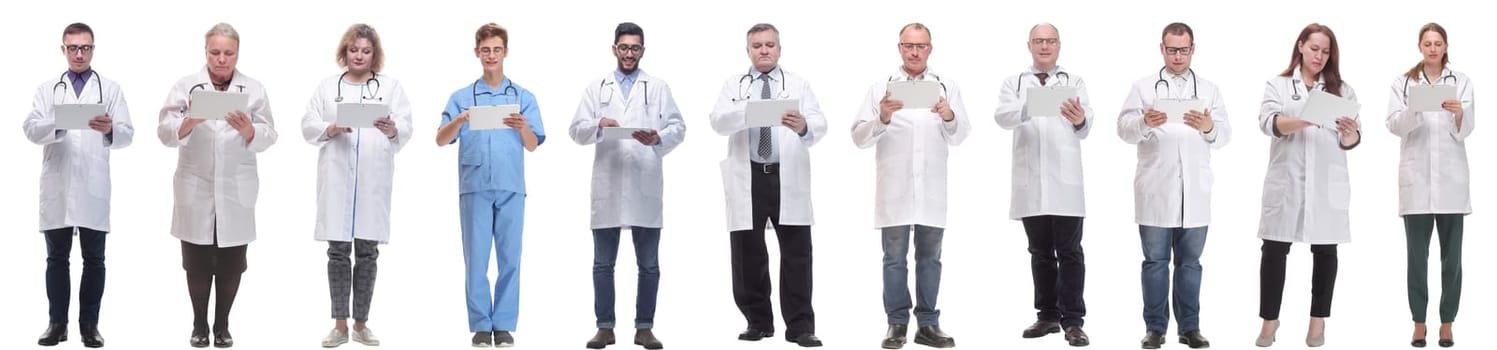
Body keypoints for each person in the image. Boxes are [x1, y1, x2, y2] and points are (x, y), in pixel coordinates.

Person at [157, 22, 278, 349]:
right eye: (215, 52)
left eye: (228, 53)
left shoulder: (253, 89)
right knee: (196, 261)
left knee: (231, 263)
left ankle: (222, 325)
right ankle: (199, 324)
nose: (221, 59)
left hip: (235, 189)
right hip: (195, 186)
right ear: (206, 52)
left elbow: (270, 134)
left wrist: (250, 130)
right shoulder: (186, 86)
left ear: (237, 53)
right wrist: (189, 121)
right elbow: (164, 131)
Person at [708, 22, 828, 348]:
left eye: (770, 45)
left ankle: (800, 327)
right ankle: (758, 321)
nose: (764, 50)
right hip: (748, 176)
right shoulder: (735, 84)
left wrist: (804, 125)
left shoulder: (798, 84)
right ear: (748, 50)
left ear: (779, 48)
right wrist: (750, 112)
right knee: (748, 254)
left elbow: (819, 123)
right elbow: (717, 120)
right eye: (757, 45)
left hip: (786, 176)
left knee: (797, 253)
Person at [851, 22, 969, 350]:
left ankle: (928, 325)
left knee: (931, 258)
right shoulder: (881, 88)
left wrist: (948, 115)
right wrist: (882, 118)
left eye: (921, 46)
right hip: (894, 190)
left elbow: (960, 136)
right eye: (908, 46)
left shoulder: (947, 86)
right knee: (894, 258)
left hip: (931, 188)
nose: (914, 52)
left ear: (930, 48)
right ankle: (897, 324)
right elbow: (858, 137)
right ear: (899, 48)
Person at [568, 22, 685, 350]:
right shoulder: (597, 88)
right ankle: (604, 328)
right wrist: (598, 125)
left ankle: (644, 328)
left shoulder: (658, 87)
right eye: (624, 47)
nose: (629, 53)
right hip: (608, 185)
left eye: (635, 48)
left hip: (644, 182)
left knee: (649, 265)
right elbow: (576, 130)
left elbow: (679, 125)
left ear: (642, 51)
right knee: (603, 264)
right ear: (614, 49)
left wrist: (658, 136)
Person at [1116, 22, 1229, 350]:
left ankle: (1190, 328)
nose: (1177, 55)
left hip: (1196, 191)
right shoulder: (1143, 87)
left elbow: (1225, 134)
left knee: (1190, 264)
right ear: (1161, 49)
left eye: (1183, 49)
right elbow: (1123, 129)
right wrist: (1143, 123)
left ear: (1193, 49)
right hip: (1155, 189)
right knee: (1155, 263)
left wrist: (1209, 127)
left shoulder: (1209, 89)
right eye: (1171, 49)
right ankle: (1155, 329)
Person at [23, 22, 135, 349]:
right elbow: (30, 128)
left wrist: (111, 128)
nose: (79, 54)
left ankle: (90, 326)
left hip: (92, 187)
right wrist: (58, 123)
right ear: (63, 49)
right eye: (72, 47)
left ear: (93, 49)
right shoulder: (48, 90)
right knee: (56, 259)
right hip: (57, 186)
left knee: (95, 260)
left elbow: (128, 133)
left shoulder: (110, 89)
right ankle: (57, 324)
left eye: (85, 47)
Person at [435, 22, 545, 348]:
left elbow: (532, 144)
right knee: (477, 260)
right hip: (475, 185)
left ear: (506, 52)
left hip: (511, 186)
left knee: (511, 257)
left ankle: (505, 325)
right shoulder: (461, 97)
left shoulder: (523, 97)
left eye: (497, 49)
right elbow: (441, 139)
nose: (492, 55)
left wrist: (523, 126)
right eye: (486, 50)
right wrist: (460, 119)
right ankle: (482, 325)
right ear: (476, 53)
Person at [302, 23, 413, 348]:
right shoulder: (327, 87)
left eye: (365, 51)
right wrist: (331, 127)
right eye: (353, 50)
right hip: (337, 179)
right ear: (344, 52)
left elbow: (405, 127)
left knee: (368, 252)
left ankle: (361, 324)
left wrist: (393, 128)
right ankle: (339, 325)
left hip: (373, 182)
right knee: (337, 253)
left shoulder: (391, 88)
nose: (359, 56)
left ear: (374, 54)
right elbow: (308, 124)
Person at [1253, 23, 1360, 348]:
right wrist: (1307, 118)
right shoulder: (1280, 84)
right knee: (1274, 250)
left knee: (1326, 251)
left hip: (1327, 183)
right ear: (1300, 46)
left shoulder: (1342, 89)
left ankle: (1317, 324)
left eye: (1326, 51)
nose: (1319, 56)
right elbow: (1268, 123)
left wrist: (1348, 132)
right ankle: (1270, 321)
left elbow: (1353, 139)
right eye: (1314, 48)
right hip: (1287, 180)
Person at [993, 23, 1092, 347]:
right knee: (1039, 252)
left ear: (1059, 45)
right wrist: (1030, 106)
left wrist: (1078, 117)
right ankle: (1047, 315)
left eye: (1050, 41)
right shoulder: (1014, 83)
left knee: (1070, 252)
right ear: (1029, 45)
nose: (1045, 46)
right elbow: (1002, 116)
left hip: (1066, 185)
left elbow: (1086, 122)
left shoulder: (1074, 81)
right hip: (1030, 183)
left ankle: (1073, 321)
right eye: (1039, 41)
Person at [1385, 22, 1474, 349]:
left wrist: (1459, 113)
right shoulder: (1403, 83)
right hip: (1417, 183)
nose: (1433, 48)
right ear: (1420, 47)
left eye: (1438, 43)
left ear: (1445, 46)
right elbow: (1394, 125)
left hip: (1451, 182)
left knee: (1453, 260)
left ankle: (1447, 322)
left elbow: (1467, 128)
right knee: (1416, 258)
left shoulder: (1461, 82)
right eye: (1427, 43)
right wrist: (1415, 109)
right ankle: (1419, 322)